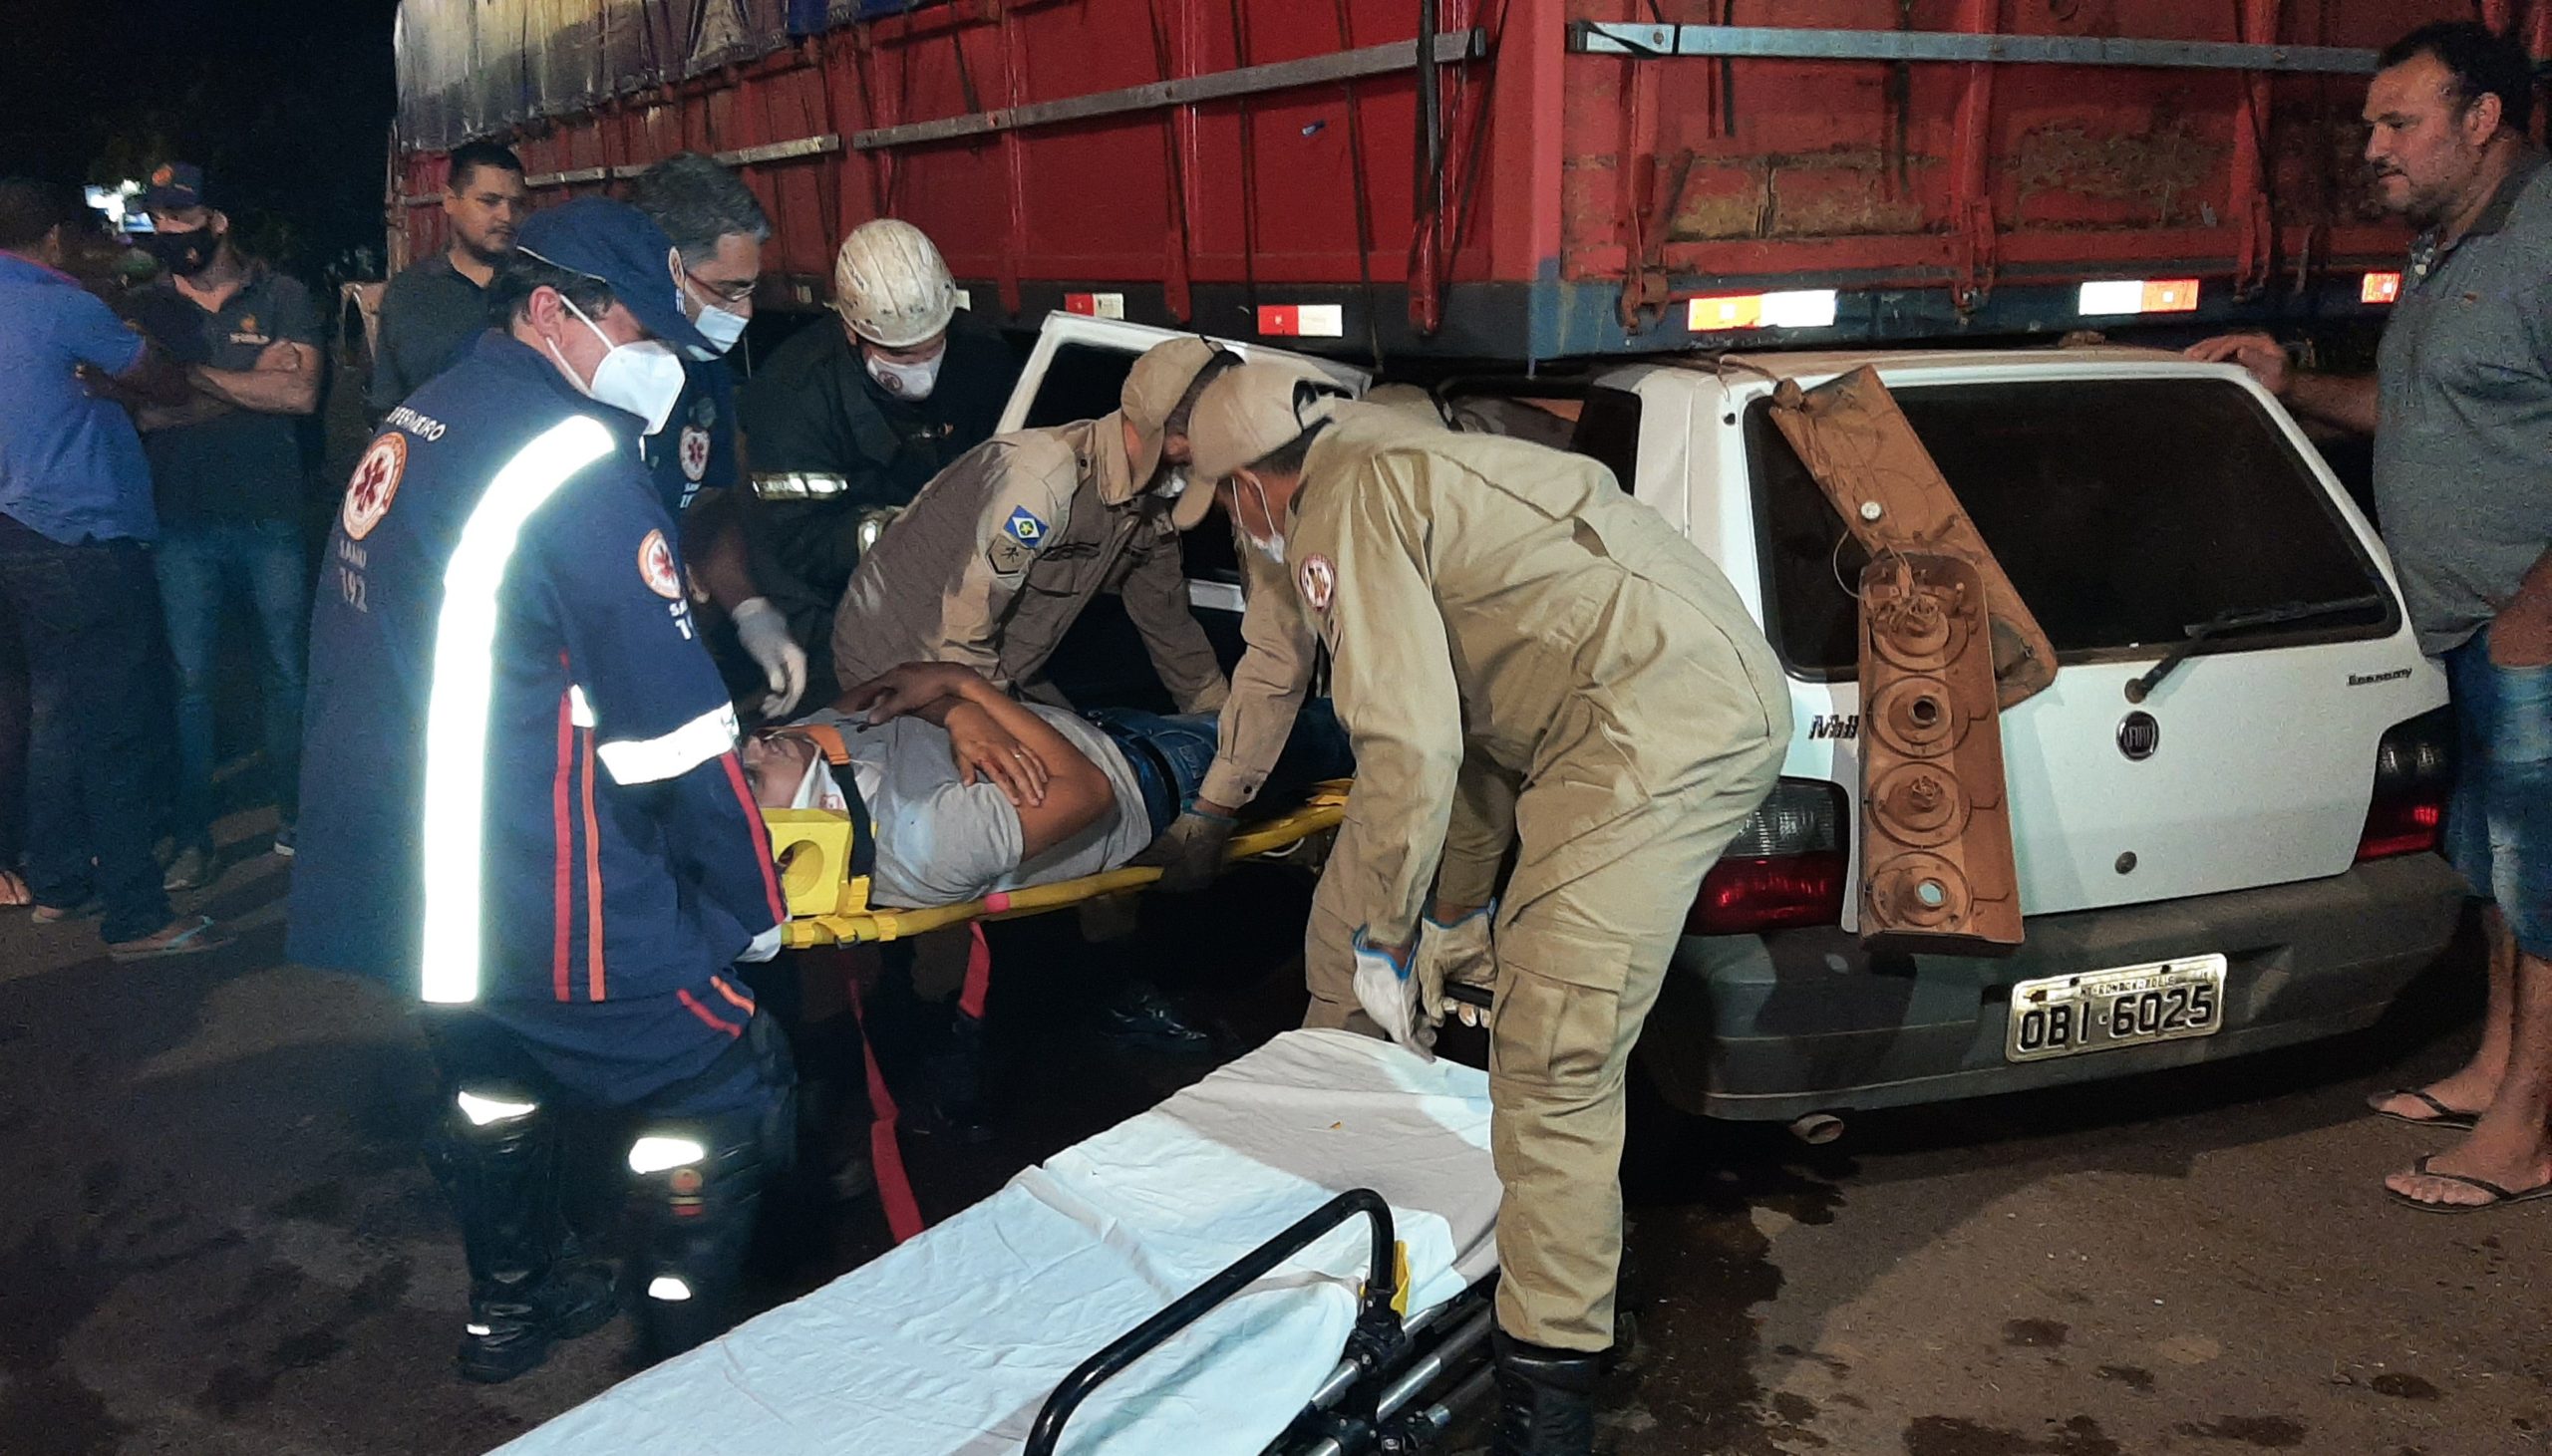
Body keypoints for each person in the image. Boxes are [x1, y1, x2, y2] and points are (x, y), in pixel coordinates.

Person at [1184, 361, 1789, 1456]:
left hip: (1644, 728)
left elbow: (1409, 750)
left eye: (1229, 505)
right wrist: (1448, 914)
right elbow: (1478, 737)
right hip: (1632, 706)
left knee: (1552, 1055)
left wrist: (1378, 932)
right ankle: (1565, 1282)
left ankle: (1548, 1407)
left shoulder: (1337, 508)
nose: (1242, 524)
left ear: (1250, 487)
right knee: (1531, 1005)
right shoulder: (1408, 459)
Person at [287, 197, 792, 1380]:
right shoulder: (575, 470)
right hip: (518, 870)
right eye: (644, 329)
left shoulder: (427, 413)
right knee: (726, 1075)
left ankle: (509, 1309)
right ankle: (682, 1352)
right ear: (552, 309)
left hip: (400, 868)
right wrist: (748, 905)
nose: (662, 358)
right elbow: (672, 738)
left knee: (491, 1088)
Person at [2191, 21, 2552, 1214]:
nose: (2372, 147)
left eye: (2398, 123)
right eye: (2369, 124)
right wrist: (2294, 386)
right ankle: (2496, 1066)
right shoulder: (2449, 245)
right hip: (2466, 622)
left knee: (2543, 879)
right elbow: (2428, 414)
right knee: (2496, 870)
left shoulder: (2544, 240)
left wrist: (2533, 620)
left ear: (2482, 120)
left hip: (2530, 628)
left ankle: (2526, 1133)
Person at [0, 176, 218, 957]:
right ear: (55, 238)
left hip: (11, 537)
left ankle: (57, 882)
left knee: (51, 712)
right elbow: (161, 377)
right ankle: (137, 912)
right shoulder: (63, 306)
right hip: (79, 535)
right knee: (115, 726)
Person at [743, 660, 1350, 907]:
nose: (754, 746)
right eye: (751, 775)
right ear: (795, 821)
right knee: (1355, 730)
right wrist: (967, 687)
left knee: (1342, 715)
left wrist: (956, 716)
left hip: (1115, 735)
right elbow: (1089, 792)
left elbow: (895, 686)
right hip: (1168, 774)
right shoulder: (927, 844)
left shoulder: (812, 747)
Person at [127, 162, 320, 884]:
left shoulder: (283, 295)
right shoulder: (147, 308)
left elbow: (301, 393)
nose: (170, 231)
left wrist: (193, 378)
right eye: (161, 218)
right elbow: (142, 408)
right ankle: (192, 834)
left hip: (268, 514)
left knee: (286, 674)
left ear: (218, 221)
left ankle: (298, 818)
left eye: (183, 216)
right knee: (190, 683)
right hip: (179, 519)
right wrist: (250, 385)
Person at [735, 219, 1020, 705]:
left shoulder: (980, 355)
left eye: (933, 343)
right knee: (853, 692)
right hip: (828, 585)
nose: (921, 364)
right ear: (852, 331)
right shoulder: (793, 394)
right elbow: (795, 540)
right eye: (900, 352)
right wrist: (904, 534)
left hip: (946, 572)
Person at [626, 151, 806, 718]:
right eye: (729, 290)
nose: (747, 311)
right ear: (666, 271)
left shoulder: (703, 370)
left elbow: (705, 506)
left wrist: (751, 610)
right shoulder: (584, 381)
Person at [368, 140, 528, 416]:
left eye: (516, 204)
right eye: (489, 202)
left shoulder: (540, 287)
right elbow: (388, 405)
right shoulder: (409, 293)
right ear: (450, 201)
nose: (506, 216)